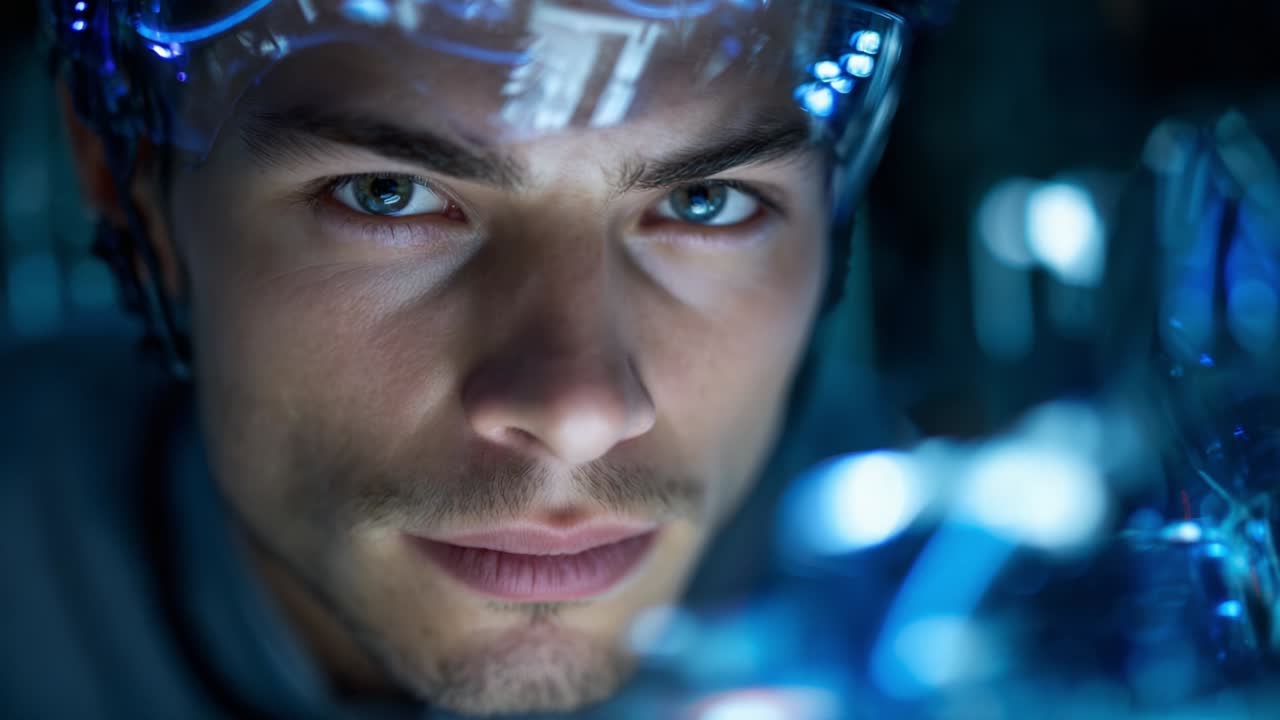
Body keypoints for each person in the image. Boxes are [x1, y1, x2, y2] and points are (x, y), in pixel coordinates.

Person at [2, 1, 937, 717]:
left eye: (706, 202)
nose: (577, 410)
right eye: (387, 195)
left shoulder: (937, 589)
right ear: (130, 194)